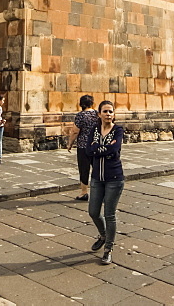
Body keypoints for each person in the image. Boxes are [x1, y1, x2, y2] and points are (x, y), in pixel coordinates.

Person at [86, 100, 124, 266]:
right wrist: (103, 150)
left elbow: (114, 150)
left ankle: (108, 249)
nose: (108, 114)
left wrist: (98, 149)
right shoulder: (94, 130)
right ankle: (103, 235)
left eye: (111, 111)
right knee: (93, 212)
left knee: (109, 214)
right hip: (97, 178)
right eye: (105, 111)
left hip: (114, 178)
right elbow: (88, 150)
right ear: (99, 114)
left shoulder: (118, 130)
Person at [66, 95, 98, 202]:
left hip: (83, 146)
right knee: (97, 169)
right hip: (96, 145)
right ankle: (99, 192)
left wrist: (70, 143)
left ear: (81, 104)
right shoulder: (97, 114)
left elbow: (75, 131)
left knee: (84, 169)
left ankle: (84, 193)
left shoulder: (81, 115)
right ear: (92, 103)